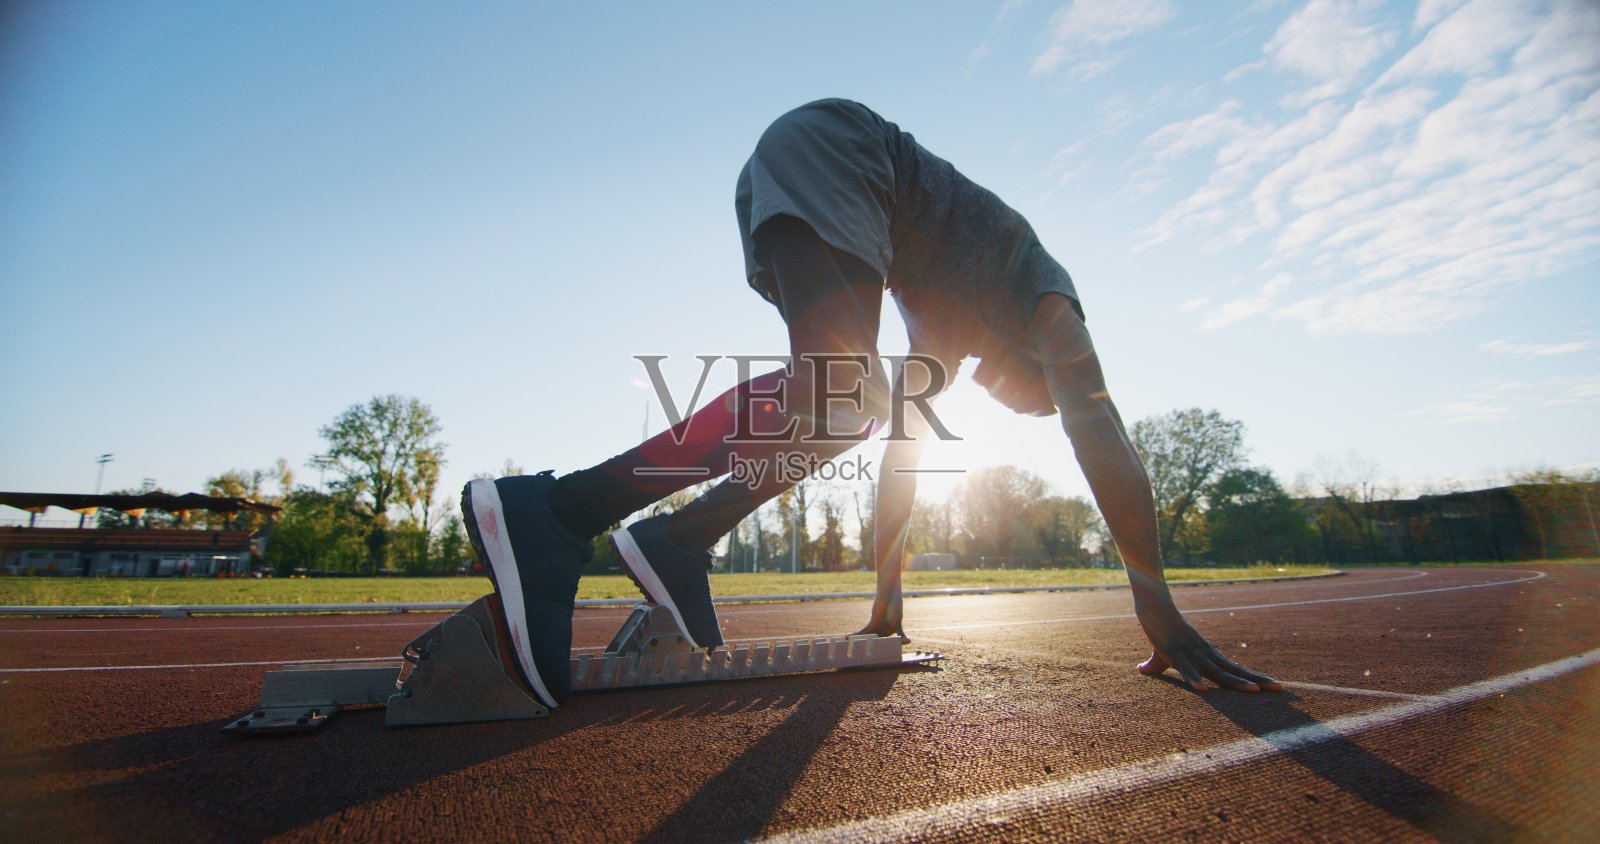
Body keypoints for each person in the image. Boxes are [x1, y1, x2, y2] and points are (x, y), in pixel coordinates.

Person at [462, 98, 1282, 711]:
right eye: (1023, 390)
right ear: (1039, 364)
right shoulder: (1044, 287)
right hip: (845, 154)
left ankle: (681, 539)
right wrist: (1156, 602)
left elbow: (903, 457)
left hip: (806, 176)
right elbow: (1098, 423)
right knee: (843, 389)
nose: (992, 389)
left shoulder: (950, 338)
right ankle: (561, 511)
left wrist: (888, 598)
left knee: (849, 407)